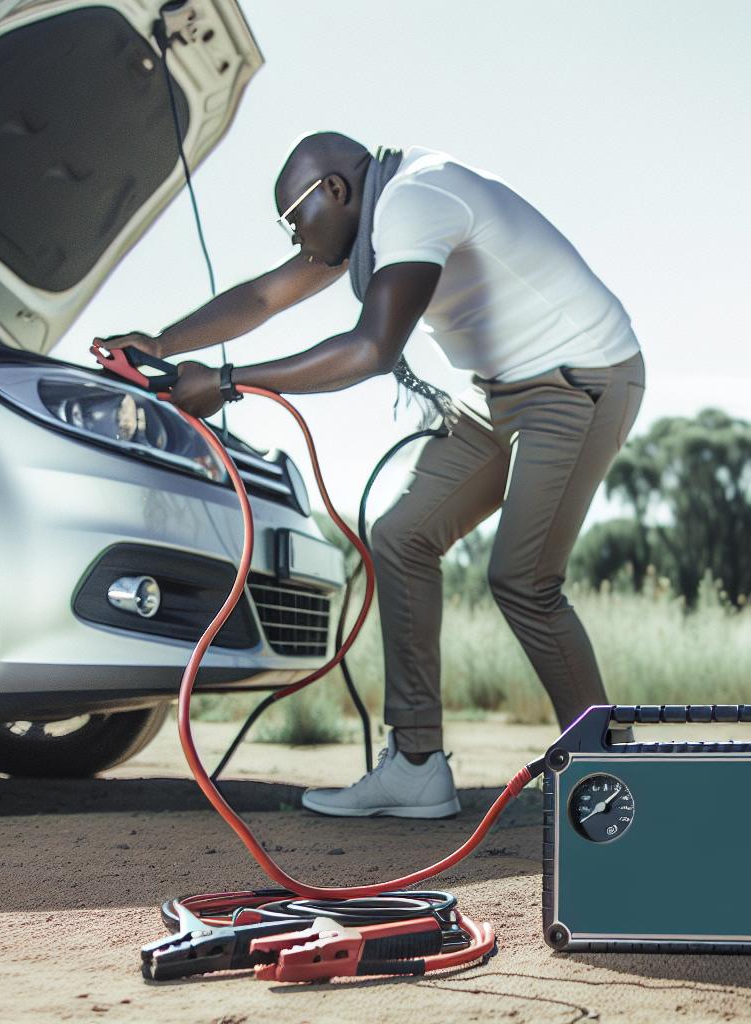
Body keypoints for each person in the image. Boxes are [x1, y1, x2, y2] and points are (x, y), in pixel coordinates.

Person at [100, 132, 645, 817]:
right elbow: (267, 297)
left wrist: (229, 382)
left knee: (523, 578)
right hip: (501, 393)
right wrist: (160, 344)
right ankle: (416, 764)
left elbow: (371, 349)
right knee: (401, 537)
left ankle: (619, 773)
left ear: (335, 190)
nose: (297, 238)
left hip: (580, 381)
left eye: (295, 218)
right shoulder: (378, 208)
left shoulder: (414, 198)